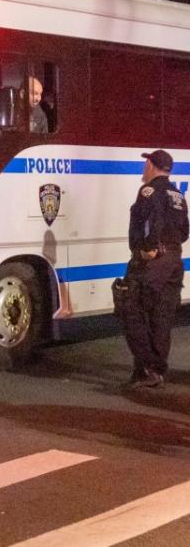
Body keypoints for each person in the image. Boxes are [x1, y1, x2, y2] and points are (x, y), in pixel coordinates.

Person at [121, 150, 189, 389]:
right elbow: (184, 232)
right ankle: (157, 369)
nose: (143, 168)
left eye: (145, 163)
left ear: (150, 165)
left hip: (153, 263)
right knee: (162, 316)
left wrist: (148, 249)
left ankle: (146, 369)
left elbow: (154, 220)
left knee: (133, 311)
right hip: (173, 262)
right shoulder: (177, 194)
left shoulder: (149, 191)